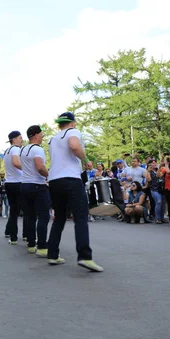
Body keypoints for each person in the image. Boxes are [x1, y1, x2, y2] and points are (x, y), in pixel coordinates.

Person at [45, 112, 103, 272]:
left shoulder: (54, 139)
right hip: (70, 179)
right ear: (72, 122)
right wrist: (85, 160)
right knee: (81, 216)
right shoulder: (73, 132)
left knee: (59, 218)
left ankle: (52, 254)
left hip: (54, 180)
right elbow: (74, 145)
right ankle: (85, 256)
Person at [20, 125, 50, 257]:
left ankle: (31, 244)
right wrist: (49, 175)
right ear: (36, 135)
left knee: (29, 216)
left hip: (24, 184)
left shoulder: (23, 149)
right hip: (37, 185)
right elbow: (40, 167)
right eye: (41, 134)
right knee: (43, 216)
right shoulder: (37, 149)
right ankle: (42, 246)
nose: (42, 136)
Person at [3, 131, 23, 244]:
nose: (22, 140)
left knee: (14, 210)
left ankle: (9, 231)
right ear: (14, 139)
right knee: (25, 210)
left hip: (9, 182)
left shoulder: (7, 151)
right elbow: (16, 162)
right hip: (17, 182)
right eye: (20, 138)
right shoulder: (16, 149)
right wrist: (27, 169)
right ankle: (22, 235)